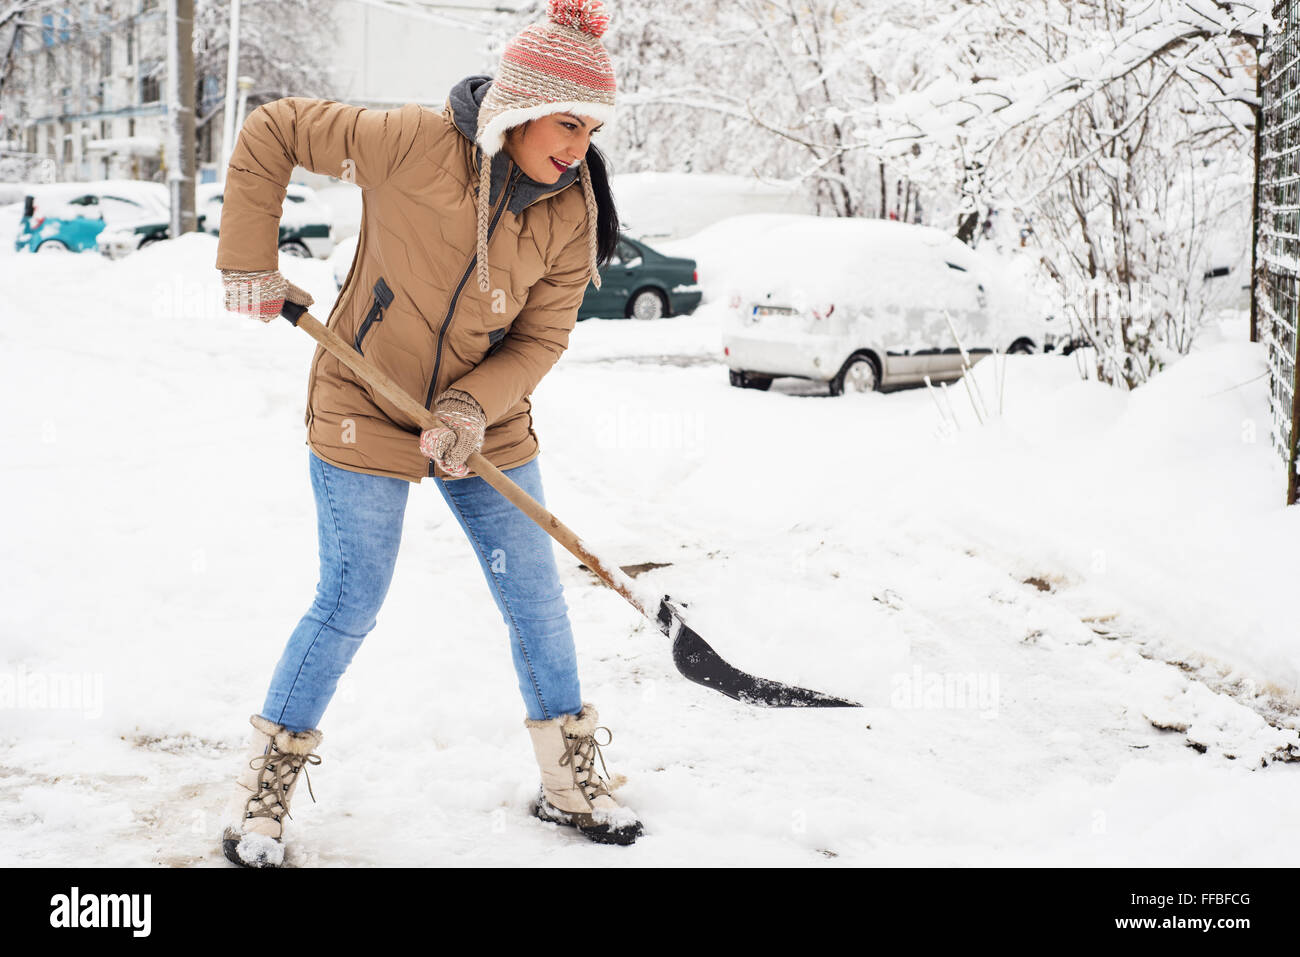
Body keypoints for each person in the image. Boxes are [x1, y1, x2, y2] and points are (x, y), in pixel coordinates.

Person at [213, 0, 641, 868]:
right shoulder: (413, 144)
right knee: (351, 597)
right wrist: (248, 260)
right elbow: (275, 129)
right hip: (363, 397)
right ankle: (266, 785)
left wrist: (472, 406)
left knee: (534, 594)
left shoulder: (573, 210)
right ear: (518, 107)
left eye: (590, 127)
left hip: (484, 420)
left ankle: (570, 776)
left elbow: (541, 338)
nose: (577, 145)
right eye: (566, 121)